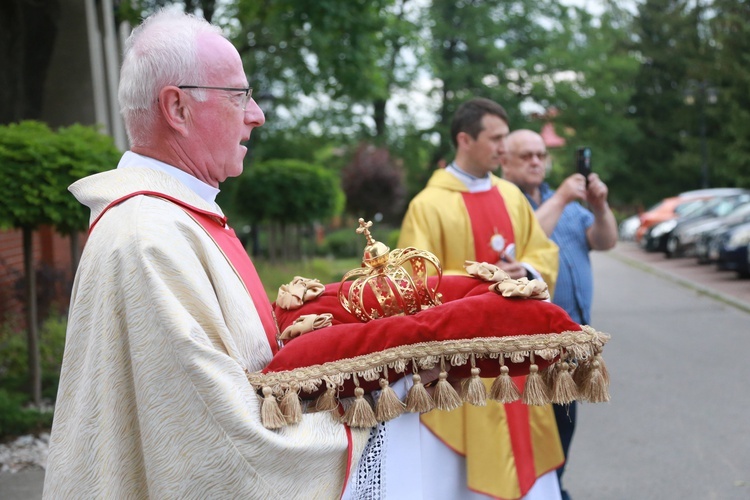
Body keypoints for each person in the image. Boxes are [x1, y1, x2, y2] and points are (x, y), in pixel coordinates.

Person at [44, 10, 387, 499]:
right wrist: (373, 409)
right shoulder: (150, 238)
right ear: (177, 109)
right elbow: (224, 444)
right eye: (239, 95)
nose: (256, 114)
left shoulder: (176, 219)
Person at [398, 98, 564, 500]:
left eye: (506, 137)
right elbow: (411, 283)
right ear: (465, 139)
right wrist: (484, 282)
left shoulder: (511, 196)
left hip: (515, 361)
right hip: (459, 366)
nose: (504, 148)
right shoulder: (428, 205)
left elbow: (542, 253)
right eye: (496, 138)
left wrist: (526, 272)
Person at [501, 129, 618, 500]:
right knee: (533, 429)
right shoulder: (504, 201)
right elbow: (522, 243)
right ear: (504, 160)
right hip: (528, 345)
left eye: (540, 155)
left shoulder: (560, 199)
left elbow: (605, 240)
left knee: (564, 424)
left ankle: (553, 487)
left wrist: (599, 207)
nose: (537, 162)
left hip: (570, 340)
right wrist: (566, 195)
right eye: (526, 156)